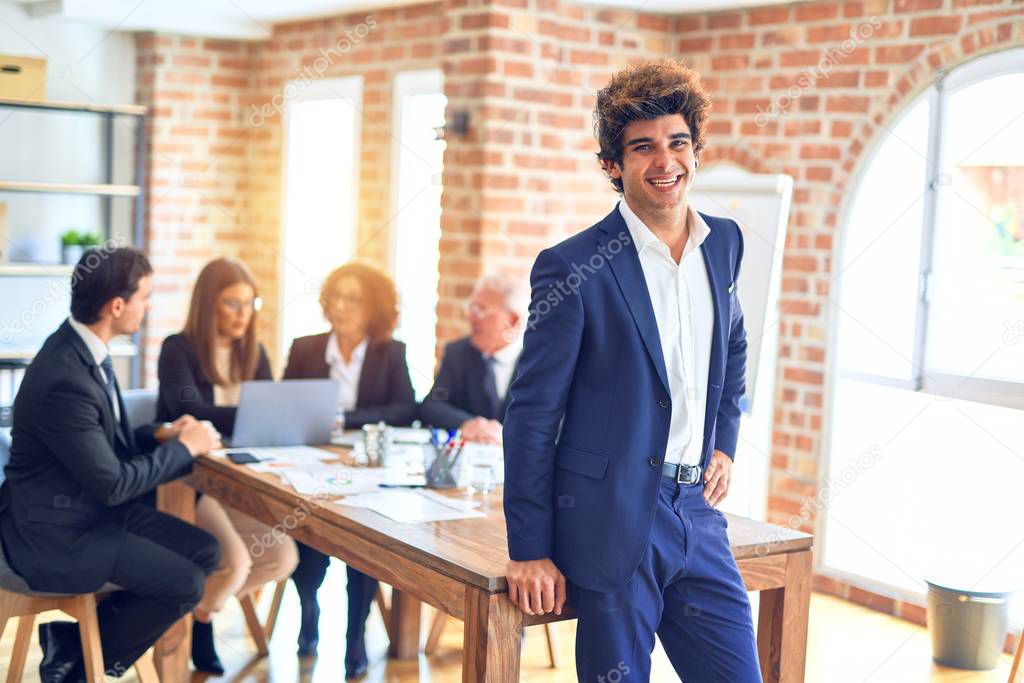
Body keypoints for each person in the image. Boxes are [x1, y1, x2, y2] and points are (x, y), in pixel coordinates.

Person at [503, 60, 761, 682]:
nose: (663, 161)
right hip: (611, 518)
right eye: (641, 147)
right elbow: (532, 414)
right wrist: (530, 549)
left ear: (696, 151)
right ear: (612, 166)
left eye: (677, 143)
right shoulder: (572, 266)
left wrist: (723, 442)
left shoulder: (723, 242)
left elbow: (732, 345)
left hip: (696, 511)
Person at [0, 247, 222, 682]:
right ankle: (89, 666)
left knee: (205, 551)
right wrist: (186, 450)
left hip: (89, 512)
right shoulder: (65, 377)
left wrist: (159, 435)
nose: (149, 305)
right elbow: (114, 484)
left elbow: (100, 450)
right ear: (116, 306)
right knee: (185, 583)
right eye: (146, 296)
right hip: (54, 535)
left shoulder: (87, 350)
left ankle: (72, 648)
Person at [156, 257, 298, 674]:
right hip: (190, 482)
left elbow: (266, 415)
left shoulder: (254, 353)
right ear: (208, 305)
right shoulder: (176, 349)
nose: (243, 314)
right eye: (231, 303)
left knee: (280, 557)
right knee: (236, 560)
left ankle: (200, 613)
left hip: (239, 480)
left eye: (250, 304)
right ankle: (188, 626)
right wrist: (251, 414)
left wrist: (262, 418)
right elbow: (190, 410)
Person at [284, 261, 416, 678]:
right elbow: (284, 404)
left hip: (365, 469)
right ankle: (309, 611)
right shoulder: (305, 347)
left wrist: (349, 419)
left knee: (364, 547)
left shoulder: (390, 352)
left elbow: (404, 409)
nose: (341, 306)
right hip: (312, 465)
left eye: (353, 299)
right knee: (305, 538)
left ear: (373, 307)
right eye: (336, 297)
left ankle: (354, 638)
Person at [420, 273, 525, 443]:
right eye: (471, 307)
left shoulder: (541, 361)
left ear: (513, 320)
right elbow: (432, 405)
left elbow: (558, 422)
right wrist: (467, 424)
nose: (470, 317)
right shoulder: (458, 353)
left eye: (481, 309)